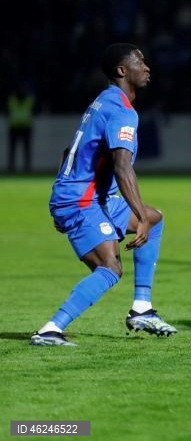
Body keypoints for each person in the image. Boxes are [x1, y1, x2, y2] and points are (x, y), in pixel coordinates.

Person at [31, 43, 177, 346]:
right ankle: (49, 329)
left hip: (90, 197)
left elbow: (68, 150)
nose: (147, 67)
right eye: (139, 62)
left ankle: (141, 309)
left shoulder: (103, 102)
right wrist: (137, 216)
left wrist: (142, 217)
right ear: (122, 71)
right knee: (110, 268)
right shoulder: (122, 111)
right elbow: (123, 168)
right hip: (82, 201)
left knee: (155, 218)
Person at [7, 84, 35, 173]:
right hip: (14, 127)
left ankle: (27, 167)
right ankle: (11, 167)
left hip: (25, 128)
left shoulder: (28, 100)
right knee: (13, 149)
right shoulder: (12, 100)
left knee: (26, 150)